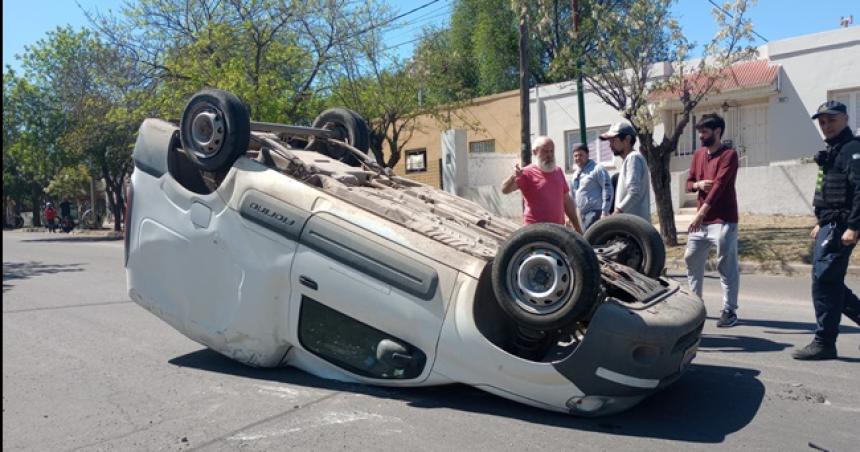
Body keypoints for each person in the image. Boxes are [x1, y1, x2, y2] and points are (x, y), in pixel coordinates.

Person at [792, 100, 860, 360]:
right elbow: (828, 191)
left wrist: (853, 227)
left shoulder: (852, 149)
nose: (826, 125)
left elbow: (859, 191)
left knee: (824, 282)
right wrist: (820, 220)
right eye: (822, 121)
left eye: (831, 120)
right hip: (829, 224)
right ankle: (825, 340)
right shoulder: (834, 149)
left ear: (845, 118)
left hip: (842, 226)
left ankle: (824, 342)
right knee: (828, 281)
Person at [683, 113, 741, 328]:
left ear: (717, 131)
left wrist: (699, 214)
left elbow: (719, 187)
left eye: (704, 131)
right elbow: (688, 183)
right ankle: (695, 306)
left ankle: (729, 310)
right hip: (701, 223)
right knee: (691, 259)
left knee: (726, 265)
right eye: (699, 131)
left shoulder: (729, 155)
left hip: (723, 220)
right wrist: (698, 185)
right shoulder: (698, 154)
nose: (700, 136)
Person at [501, 136, 583, 233]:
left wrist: (578, 229)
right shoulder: (526, 173)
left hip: (558, 232)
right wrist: (513, 177)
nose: (549, 155)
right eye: (545, 151)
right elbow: (504, 190)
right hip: (535, 232)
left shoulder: (558, 171)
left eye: (551, 151)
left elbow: (567, 201)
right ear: (535, 152)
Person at [600, 122, 651, 222]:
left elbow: (634, 193)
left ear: (627, 139)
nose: (610, 146)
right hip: (631, 224)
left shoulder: (633, 158)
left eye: (613, 140)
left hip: (634, 226)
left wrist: (616, 214)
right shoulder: (628, 160)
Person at [569, 144, 613, 231]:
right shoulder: (575, 175)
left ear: (587, 155)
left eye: (581, 155)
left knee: (592, 241)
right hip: (581, 215)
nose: (578, 158)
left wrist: (604, 212)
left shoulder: (597, 169)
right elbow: (573, 196)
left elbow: (607, 189)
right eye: (575, 156)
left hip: (595, 213)